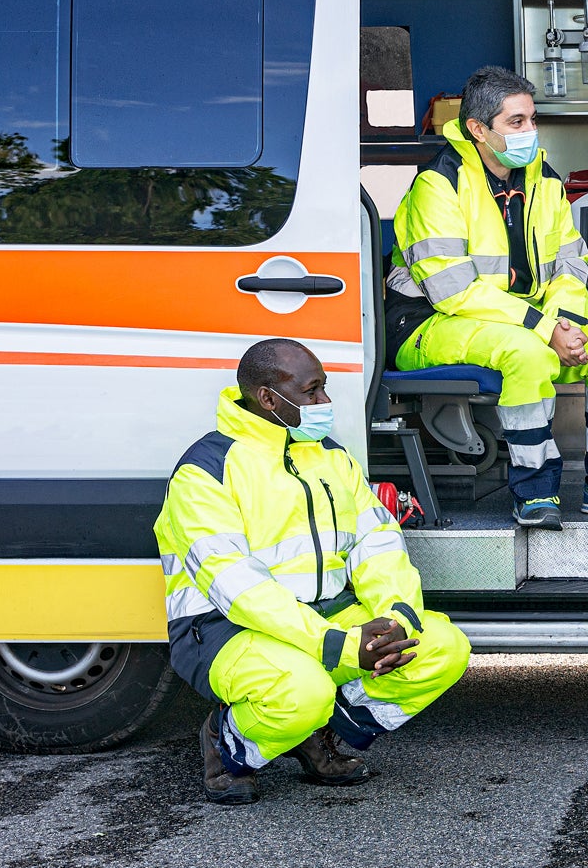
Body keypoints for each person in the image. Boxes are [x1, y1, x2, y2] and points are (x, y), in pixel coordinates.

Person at [157, 338, 471, 805]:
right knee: (303, 690)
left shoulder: (329, 455)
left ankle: (311, 732)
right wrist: (340, 646)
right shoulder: (207, 470)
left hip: (325, 616)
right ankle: (228, 746)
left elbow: (378, 541)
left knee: (440, 648)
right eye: (313, 391)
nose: (325, 403)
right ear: (268, 398)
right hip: (224, 628)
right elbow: (237, 587)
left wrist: (396, 618)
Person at [390, 66, 588, 528]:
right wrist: (545, 329)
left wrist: (566, 324)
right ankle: (535, 494)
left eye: (533, 120)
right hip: (427, 324)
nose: (530, 132)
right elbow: (454, 291)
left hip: (529, 318)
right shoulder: (437, 185)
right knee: (527, 354)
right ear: (479, 129)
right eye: (516, 122)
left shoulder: (545, 179)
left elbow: (570, 265)